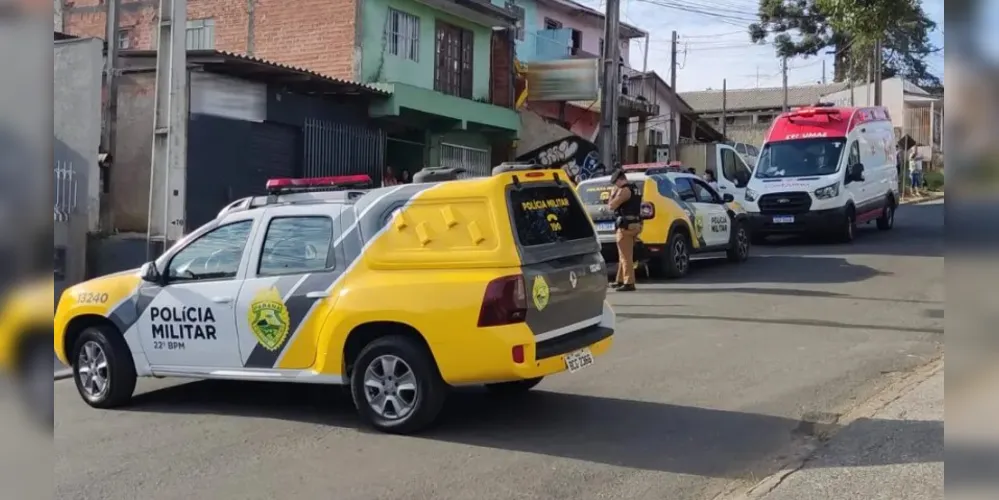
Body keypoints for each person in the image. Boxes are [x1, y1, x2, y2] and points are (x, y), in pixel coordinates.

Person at [607, 169, 642, 292]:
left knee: (625, 256)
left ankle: (629, 282)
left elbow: (611, 206)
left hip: (626, 226)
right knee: (624, 254)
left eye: (615, 183)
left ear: (620, 180)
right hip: (635, 224)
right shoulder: (635, 188)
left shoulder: (624, 190)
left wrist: (612, 194)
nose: (615, 186)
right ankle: (620, 280)